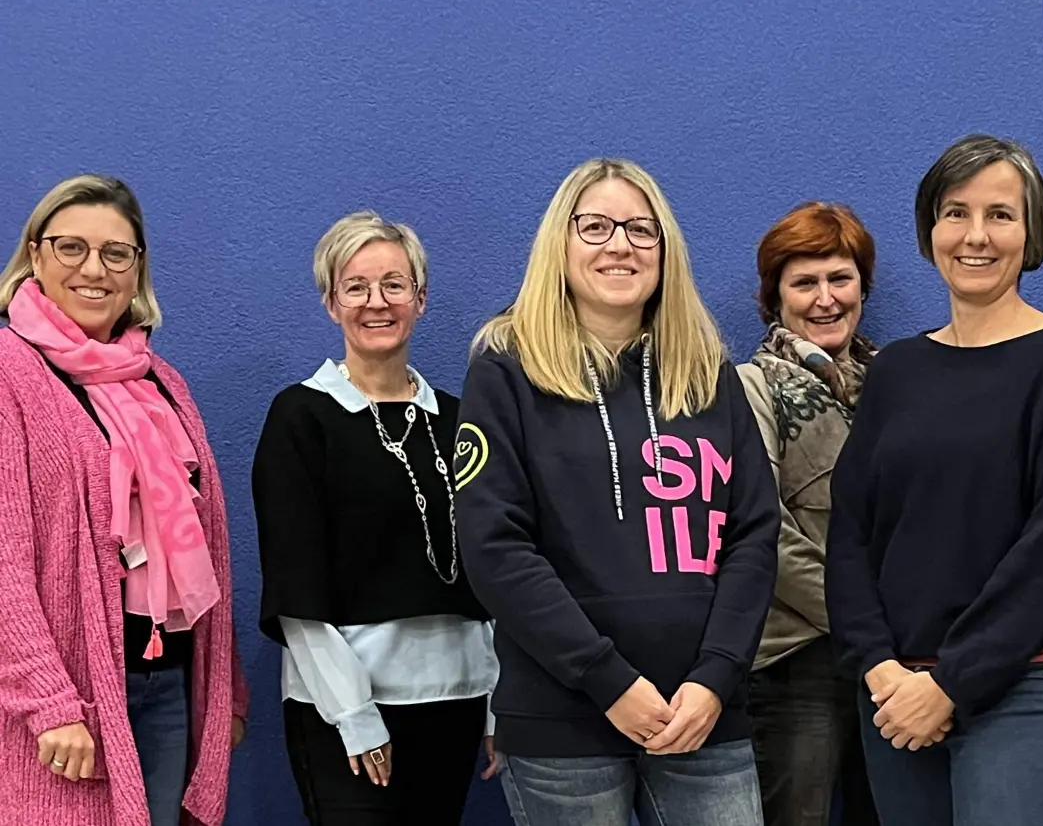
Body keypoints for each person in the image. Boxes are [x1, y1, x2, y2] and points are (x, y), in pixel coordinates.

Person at [454, 158, 781, 826]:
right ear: (561, 243)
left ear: (665, 250)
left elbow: (752, 533)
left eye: (640, 229)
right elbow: (495, 548)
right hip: (563, 722)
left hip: (705, 718)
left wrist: (717, 676)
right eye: (595, 226)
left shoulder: (708, 374)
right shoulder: (505, 372)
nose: (620, 245)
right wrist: (608, 680)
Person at [825, 134, 1043, 826]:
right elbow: (850, 535)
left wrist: (951, 682)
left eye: (1000, 215)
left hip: (1028, 685)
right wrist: (879, 667)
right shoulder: (895, 370)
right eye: (956, 213)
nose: (975, 236)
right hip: (895, 696)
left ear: (1031, 232)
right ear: (930, 231)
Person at [0, 174, 247, 826]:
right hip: (63, 707)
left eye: (117, 253)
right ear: (34, 253)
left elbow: (207, 548)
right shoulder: (8, 371)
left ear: (137, 269)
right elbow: (4, 561)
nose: (95, 269)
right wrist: (48, 701)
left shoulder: (161, 381)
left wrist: (223, 692)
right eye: (71, 247)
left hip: (167, 686)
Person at [252, 211, 498, 825]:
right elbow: (294, 583)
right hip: (346, 707)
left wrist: (500, 703)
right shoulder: (301, 418)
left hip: (458, 698)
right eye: (355, 287)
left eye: (393, 284)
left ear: (420, 298)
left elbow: (494, 565)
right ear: (331, 303)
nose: (376, 302)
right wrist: (353, 714)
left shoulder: (459, 420)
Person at [736, 202, 881, 826]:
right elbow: (759, 529)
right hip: (798, 661)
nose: (825, 298)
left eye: (840, 279)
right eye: (804, 282)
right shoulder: (749, 387)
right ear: (775, 298)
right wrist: (865, 622)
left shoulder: (895, 383)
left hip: (894, 663)